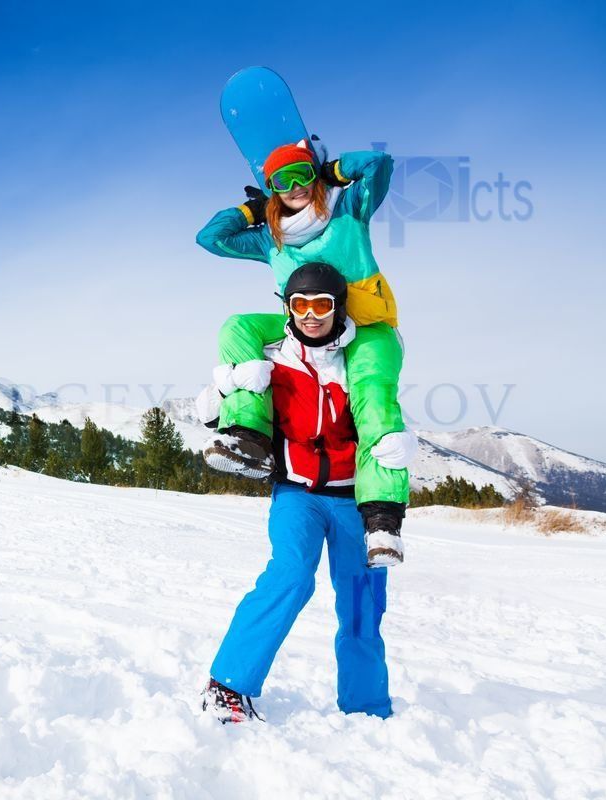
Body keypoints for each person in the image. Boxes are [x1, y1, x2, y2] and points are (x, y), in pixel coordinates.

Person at [197, 262, 414, 723]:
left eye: (322, 304)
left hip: (353, 499)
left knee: (361, 599)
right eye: (300, 304)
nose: (310, 314)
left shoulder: (358, 363)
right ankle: (228, 686)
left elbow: (380, 417)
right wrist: (222, 396)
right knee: (290, 577)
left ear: (339, 308)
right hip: (296, 495)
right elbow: (227, 409)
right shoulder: (273, 358)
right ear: (287, 309)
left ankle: (367, 708)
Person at [195, 140, 412, 566]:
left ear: (315, 178)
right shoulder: (271, 239)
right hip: (304, 319)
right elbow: (210, 238)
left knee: (373, 399)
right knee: (237, 326)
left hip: (365, 326)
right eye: (282, 180)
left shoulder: (347, 211)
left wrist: (332, 172)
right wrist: (251, 212)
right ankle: (249, 436)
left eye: (302, 175)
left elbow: (378, 164)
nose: (294, 187)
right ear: (271, 188)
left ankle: (382, 519)